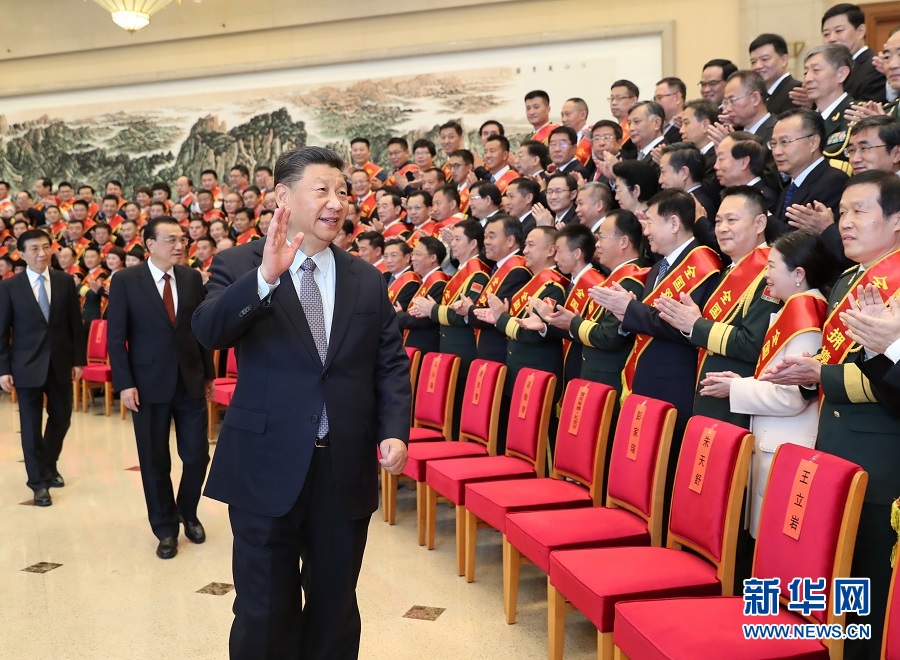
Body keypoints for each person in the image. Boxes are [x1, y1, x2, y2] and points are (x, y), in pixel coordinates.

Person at [191, 146, 411, 659]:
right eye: (322, 190)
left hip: (343, 468)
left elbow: (390, 364)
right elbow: (208, 331)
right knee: (264, 608)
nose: (336, 202)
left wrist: (394, 429)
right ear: (283, 198)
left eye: (343, 192)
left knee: (336, 607)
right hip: (265, 464)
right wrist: (266, 279)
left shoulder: (365, 278)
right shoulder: (239, 264)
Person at [761, 170, 900, 659]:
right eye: (842, 213)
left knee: (873, 576)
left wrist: (825, 375)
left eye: (860, 211)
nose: (846, 222)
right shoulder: (846, 279)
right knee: (837, 572)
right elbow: (842, 359)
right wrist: (811, 371)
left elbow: (883, 379)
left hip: (880, 455)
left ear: (897, 220)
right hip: (834, 445)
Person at [699, 229, 831, 537]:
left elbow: (793, 396)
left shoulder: (805, 313)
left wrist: (735, 388)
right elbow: (777, 378)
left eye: (772, 266)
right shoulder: (794, 307)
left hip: (786, 444)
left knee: (775, 540)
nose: (765, 274)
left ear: (798, 274)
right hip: (772, 439)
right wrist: (741, 382)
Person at [107, 216, 216, 560]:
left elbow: (199, 329)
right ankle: (165, 528)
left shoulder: (191, 277)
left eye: (182, 239)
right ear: (150, 245)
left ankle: (187, 511)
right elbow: (116, 338)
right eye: (171, 240)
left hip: (190, 380)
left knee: (197, 455)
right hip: (147, 384)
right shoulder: (126, 280)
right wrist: (125, 383)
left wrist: (209, 375)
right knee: (155, 461)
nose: (180, 245)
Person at [0, 229, 85, 507]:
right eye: (35, 249)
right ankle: (38, 483)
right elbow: (2, 332)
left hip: (60, 363)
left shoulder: (64, 281)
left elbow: (75, 325)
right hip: (25, 366)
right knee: (31, 427)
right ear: (22, 254)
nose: (42, 253)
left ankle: (49, 464)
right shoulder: (10, 287)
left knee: (62, 418)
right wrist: (3, 369)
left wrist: (78, 361)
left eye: (46, 247)